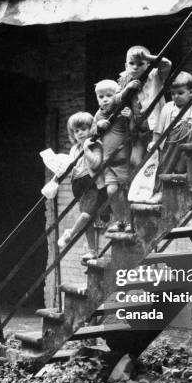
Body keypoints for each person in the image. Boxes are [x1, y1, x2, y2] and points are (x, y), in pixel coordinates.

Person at [148, 71, 192, 202]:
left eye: (180, 93)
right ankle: (160, 192)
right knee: (164, 166)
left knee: (182, 169)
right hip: (170, 144)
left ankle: (180, 194)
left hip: (186, 145)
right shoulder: (168, 108)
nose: (176, 96)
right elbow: (159, 128)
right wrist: (154, 142)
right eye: (173, 93)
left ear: (191, 92)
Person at [92, 78, 140, 233]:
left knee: (126, 191)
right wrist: (98, 126)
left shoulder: (121, 110)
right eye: (101, 97)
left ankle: (130, 222)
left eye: (109, 95)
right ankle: (120, 220)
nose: (105, 99)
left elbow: (133, 133)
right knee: (111, 192)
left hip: (122, 160)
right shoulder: (99, 116)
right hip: (108, 163)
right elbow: (92, 133)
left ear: (116, 95)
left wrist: (131, 118)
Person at [57, 112, 105, 263]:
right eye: (76, 131)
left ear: (91, 128)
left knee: (86, 216)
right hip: (78, 185)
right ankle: (92, 250)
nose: (79, 133)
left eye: (83, 129)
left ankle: (70, 233)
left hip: (92, 184)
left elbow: (96, 164)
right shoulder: (73, 149)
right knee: (88, 221)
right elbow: (70, 165)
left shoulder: (95, 144)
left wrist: (86, 148)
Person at [118, 46, 171, 168]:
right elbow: (116, 99)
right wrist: (127, 89)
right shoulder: (124, 79)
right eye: (131, 63)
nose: (135, 67)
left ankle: (155, 185)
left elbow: (167, 64)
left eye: (140, 63)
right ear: (126, 66)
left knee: (156, 159)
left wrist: (147, 57)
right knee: (135, 161)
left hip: (155, 127)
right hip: (137, 127)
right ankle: (141, 186)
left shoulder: (155, 76)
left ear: (147, 65)